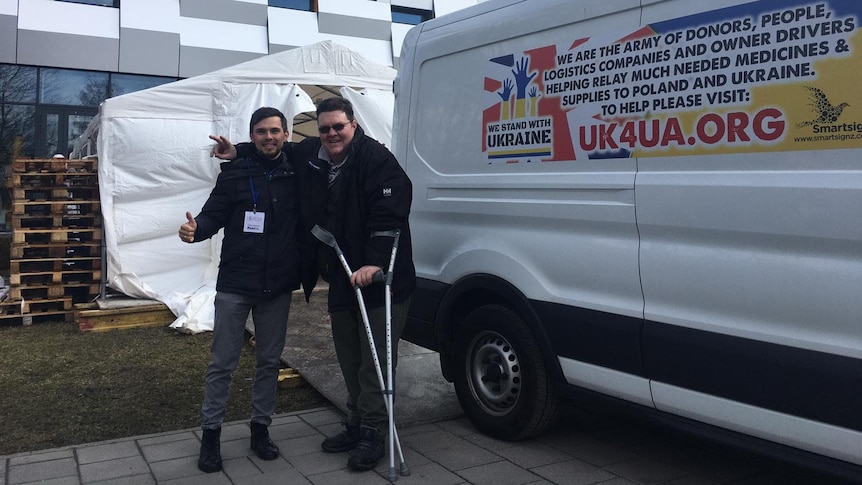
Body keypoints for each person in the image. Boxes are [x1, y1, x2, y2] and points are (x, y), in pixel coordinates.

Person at [212, 96, 416, 472]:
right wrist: (237, 152)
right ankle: (356, 421)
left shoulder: (376, 160)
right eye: (325, 128)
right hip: (341, 274)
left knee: (375, 359)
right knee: (349, 355)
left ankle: (373, 430)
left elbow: (390, 211)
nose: (332, 134)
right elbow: (275, 145)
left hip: (379, 276)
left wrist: (373, 261)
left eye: (339, 126)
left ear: (353, 125)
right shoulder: (313, 153)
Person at [179, 107, 302, 473]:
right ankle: (211, 435)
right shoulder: (233, 175)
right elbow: (212, 215)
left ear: (285, 134)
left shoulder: (296, 173)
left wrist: (241, 148)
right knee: (223, 363)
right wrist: (195, 229)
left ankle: (260, 429)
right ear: (253, 134)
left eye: (275, 131)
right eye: (261, 132)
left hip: (277, 285)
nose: (269, 137)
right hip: (235, 283)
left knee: (268, 361)